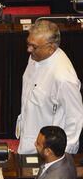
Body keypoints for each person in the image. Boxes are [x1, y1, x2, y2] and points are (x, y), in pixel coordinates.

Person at [16, 20, 83, 154]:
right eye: (28, 44)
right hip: (29, 138)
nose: (28, 50)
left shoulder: (63, 77)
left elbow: (75, 119)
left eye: (34, 47)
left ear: (51, 48)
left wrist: (60, 156)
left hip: (49, 151)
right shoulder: (36, 57)